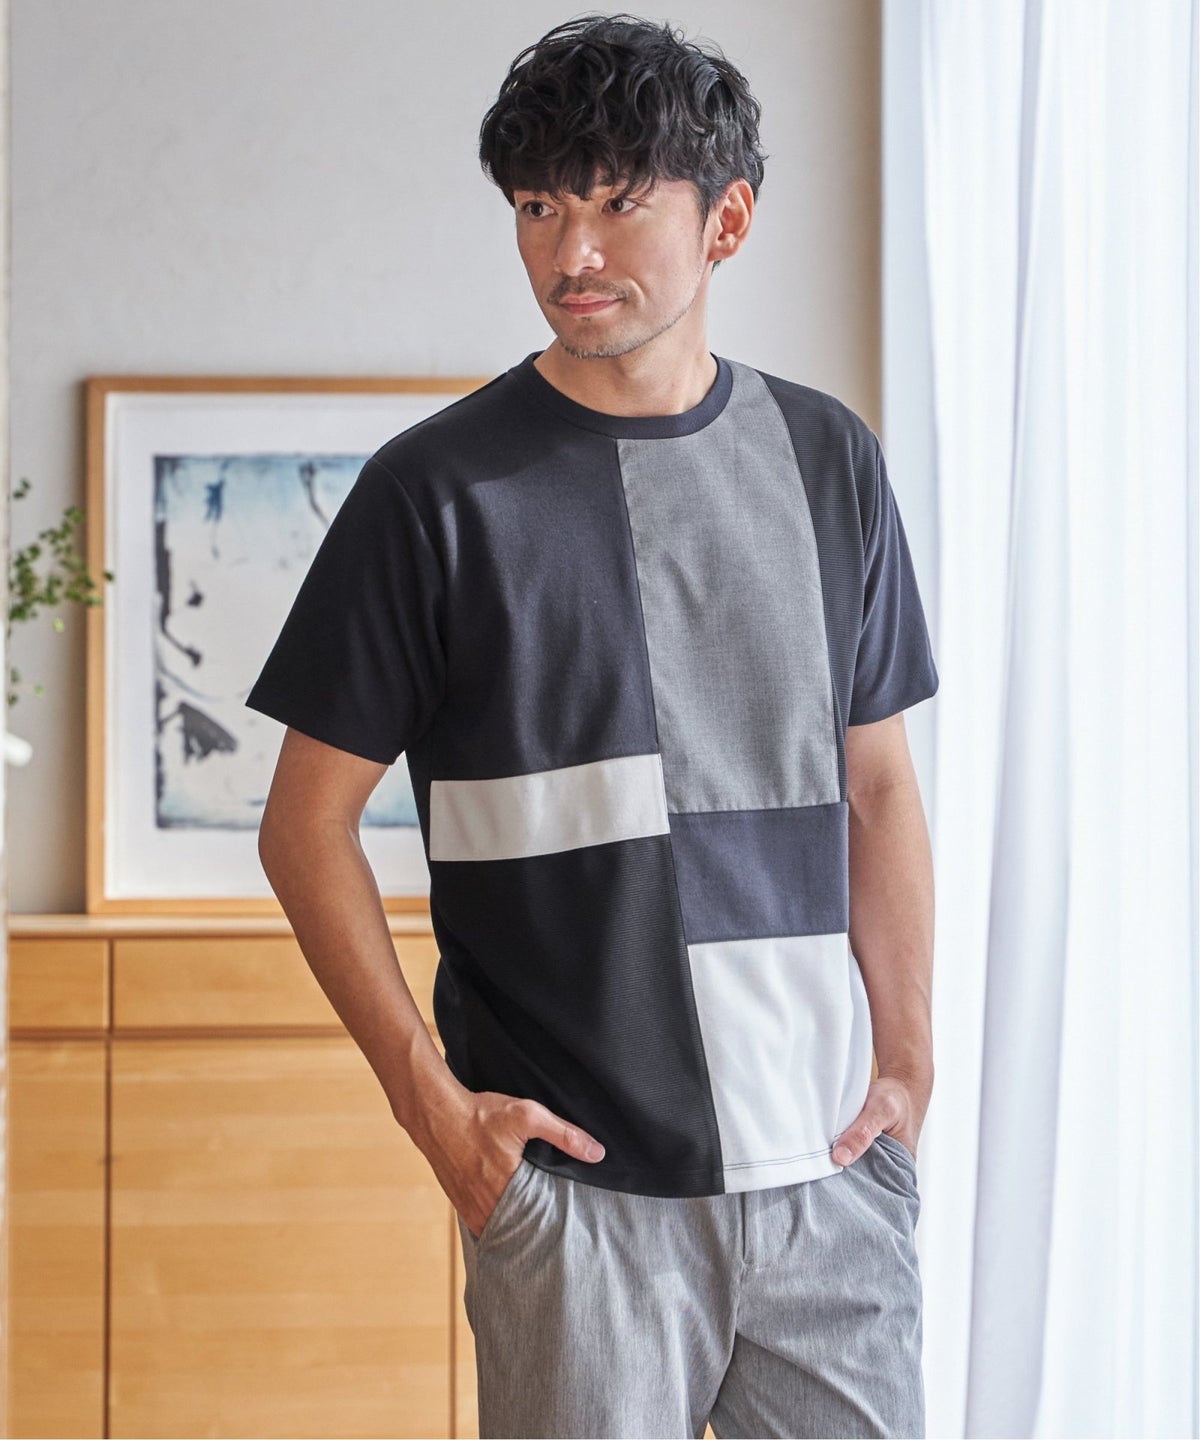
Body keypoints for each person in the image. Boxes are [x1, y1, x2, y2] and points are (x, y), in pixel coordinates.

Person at [244, 12, 938, 1438]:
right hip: (578, 1202)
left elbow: (877, 788)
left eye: (620, 202)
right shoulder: (433, 496)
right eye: (540, 207)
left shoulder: (829, 462)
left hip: (827, 1183)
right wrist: (436, 1113)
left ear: (727, 220)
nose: (573, 252)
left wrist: (909, 1062)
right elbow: (303, 827)